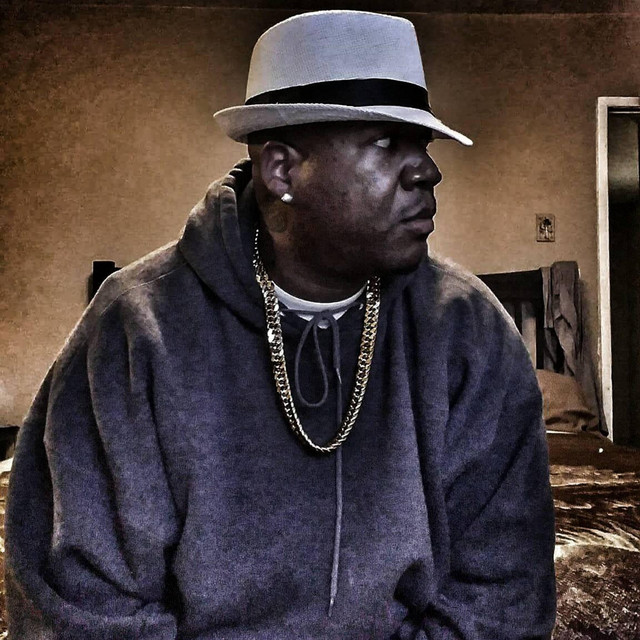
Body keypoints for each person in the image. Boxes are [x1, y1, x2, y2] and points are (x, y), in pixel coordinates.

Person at [5, 10, 556, 640]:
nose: (427, 171)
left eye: (423, 145)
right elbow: (81, 605)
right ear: (282, 170)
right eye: (385, 142)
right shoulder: (135, 330)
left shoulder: (470, 332)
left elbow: (503, 597)